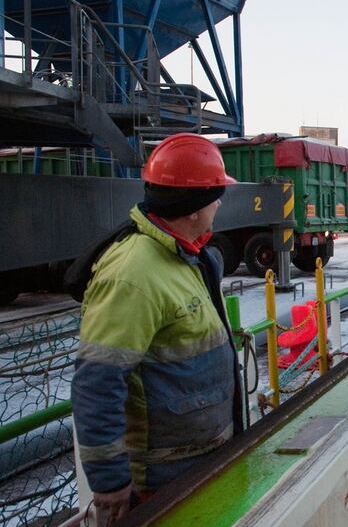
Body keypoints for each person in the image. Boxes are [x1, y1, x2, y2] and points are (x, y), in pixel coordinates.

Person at [71, 133, 242, 523]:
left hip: (201, 464)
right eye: (216, 196)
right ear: (194, 207)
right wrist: (110, 481)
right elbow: (97, 382)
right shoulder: (133, 275)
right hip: (161, 481)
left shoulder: (185, 255)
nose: (219, 204)